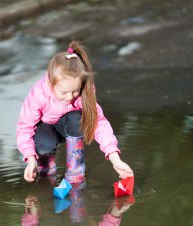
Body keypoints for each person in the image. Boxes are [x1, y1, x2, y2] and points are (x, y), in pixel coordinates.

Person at [16, 40, 133, 183]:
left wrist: (115, 159)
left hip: (68, 127)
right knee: (45, 145)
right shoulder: (40, 94)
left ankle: (75, 172)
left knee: (77, 118)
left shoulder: (83, 94)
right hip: (44, 129)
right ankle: (46, 170)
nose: (70, 97)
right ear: (51, 84)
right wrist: (31, 159)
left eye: (75, 91)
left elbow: (99, 123)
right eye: (64, 92)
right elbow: (25, 128)